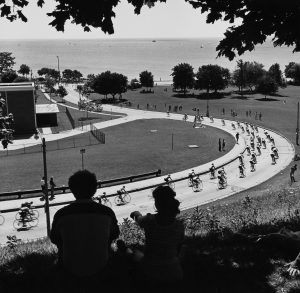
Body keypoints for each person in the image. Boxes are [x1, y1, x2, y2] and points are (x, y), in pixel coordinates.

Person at [50, 170, 120, 285]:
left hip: (69, 269)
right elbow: (115, 234)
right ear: (95, 189)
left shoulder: (61, 214)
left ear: (72, 189)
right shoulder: (107, 212)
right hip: (101, 268)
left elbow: (54, 238)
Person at [130, 186, 184, 286]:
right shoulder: (179, 226)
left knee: (134, 252)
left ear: (157, 204)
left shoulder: (149, 220)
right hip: (174, 271)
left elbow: (138, 219)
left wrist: (135, 213)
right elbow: (178, 250)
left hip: (151, 269)